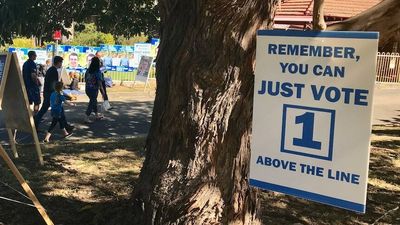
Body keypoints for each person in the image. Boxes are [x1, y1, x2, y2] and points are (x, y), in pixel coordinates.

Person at [35, 56, 74, 132]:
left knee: (55, 109)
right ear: (58, 62)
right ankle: (35, 123)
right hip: (51, 94)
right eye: (61, 62)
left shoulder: (51, 70)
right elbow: (53, 84)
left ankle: (65, 126)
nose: (61, 64)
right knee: (52, 110)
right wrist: (59, 93)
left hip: (48, 93)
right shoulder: (54, 71)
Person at [84, 57, 104, 123]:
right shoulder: (98, 72)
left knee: (94, 101)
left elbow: (85, 78)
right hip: (94, 89)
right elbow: (99, 82)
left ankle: (96, 115)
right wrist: (103, 92)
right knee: (92, 102)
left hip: (87, 88)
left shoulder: (88, 70)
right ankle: (86, 117)